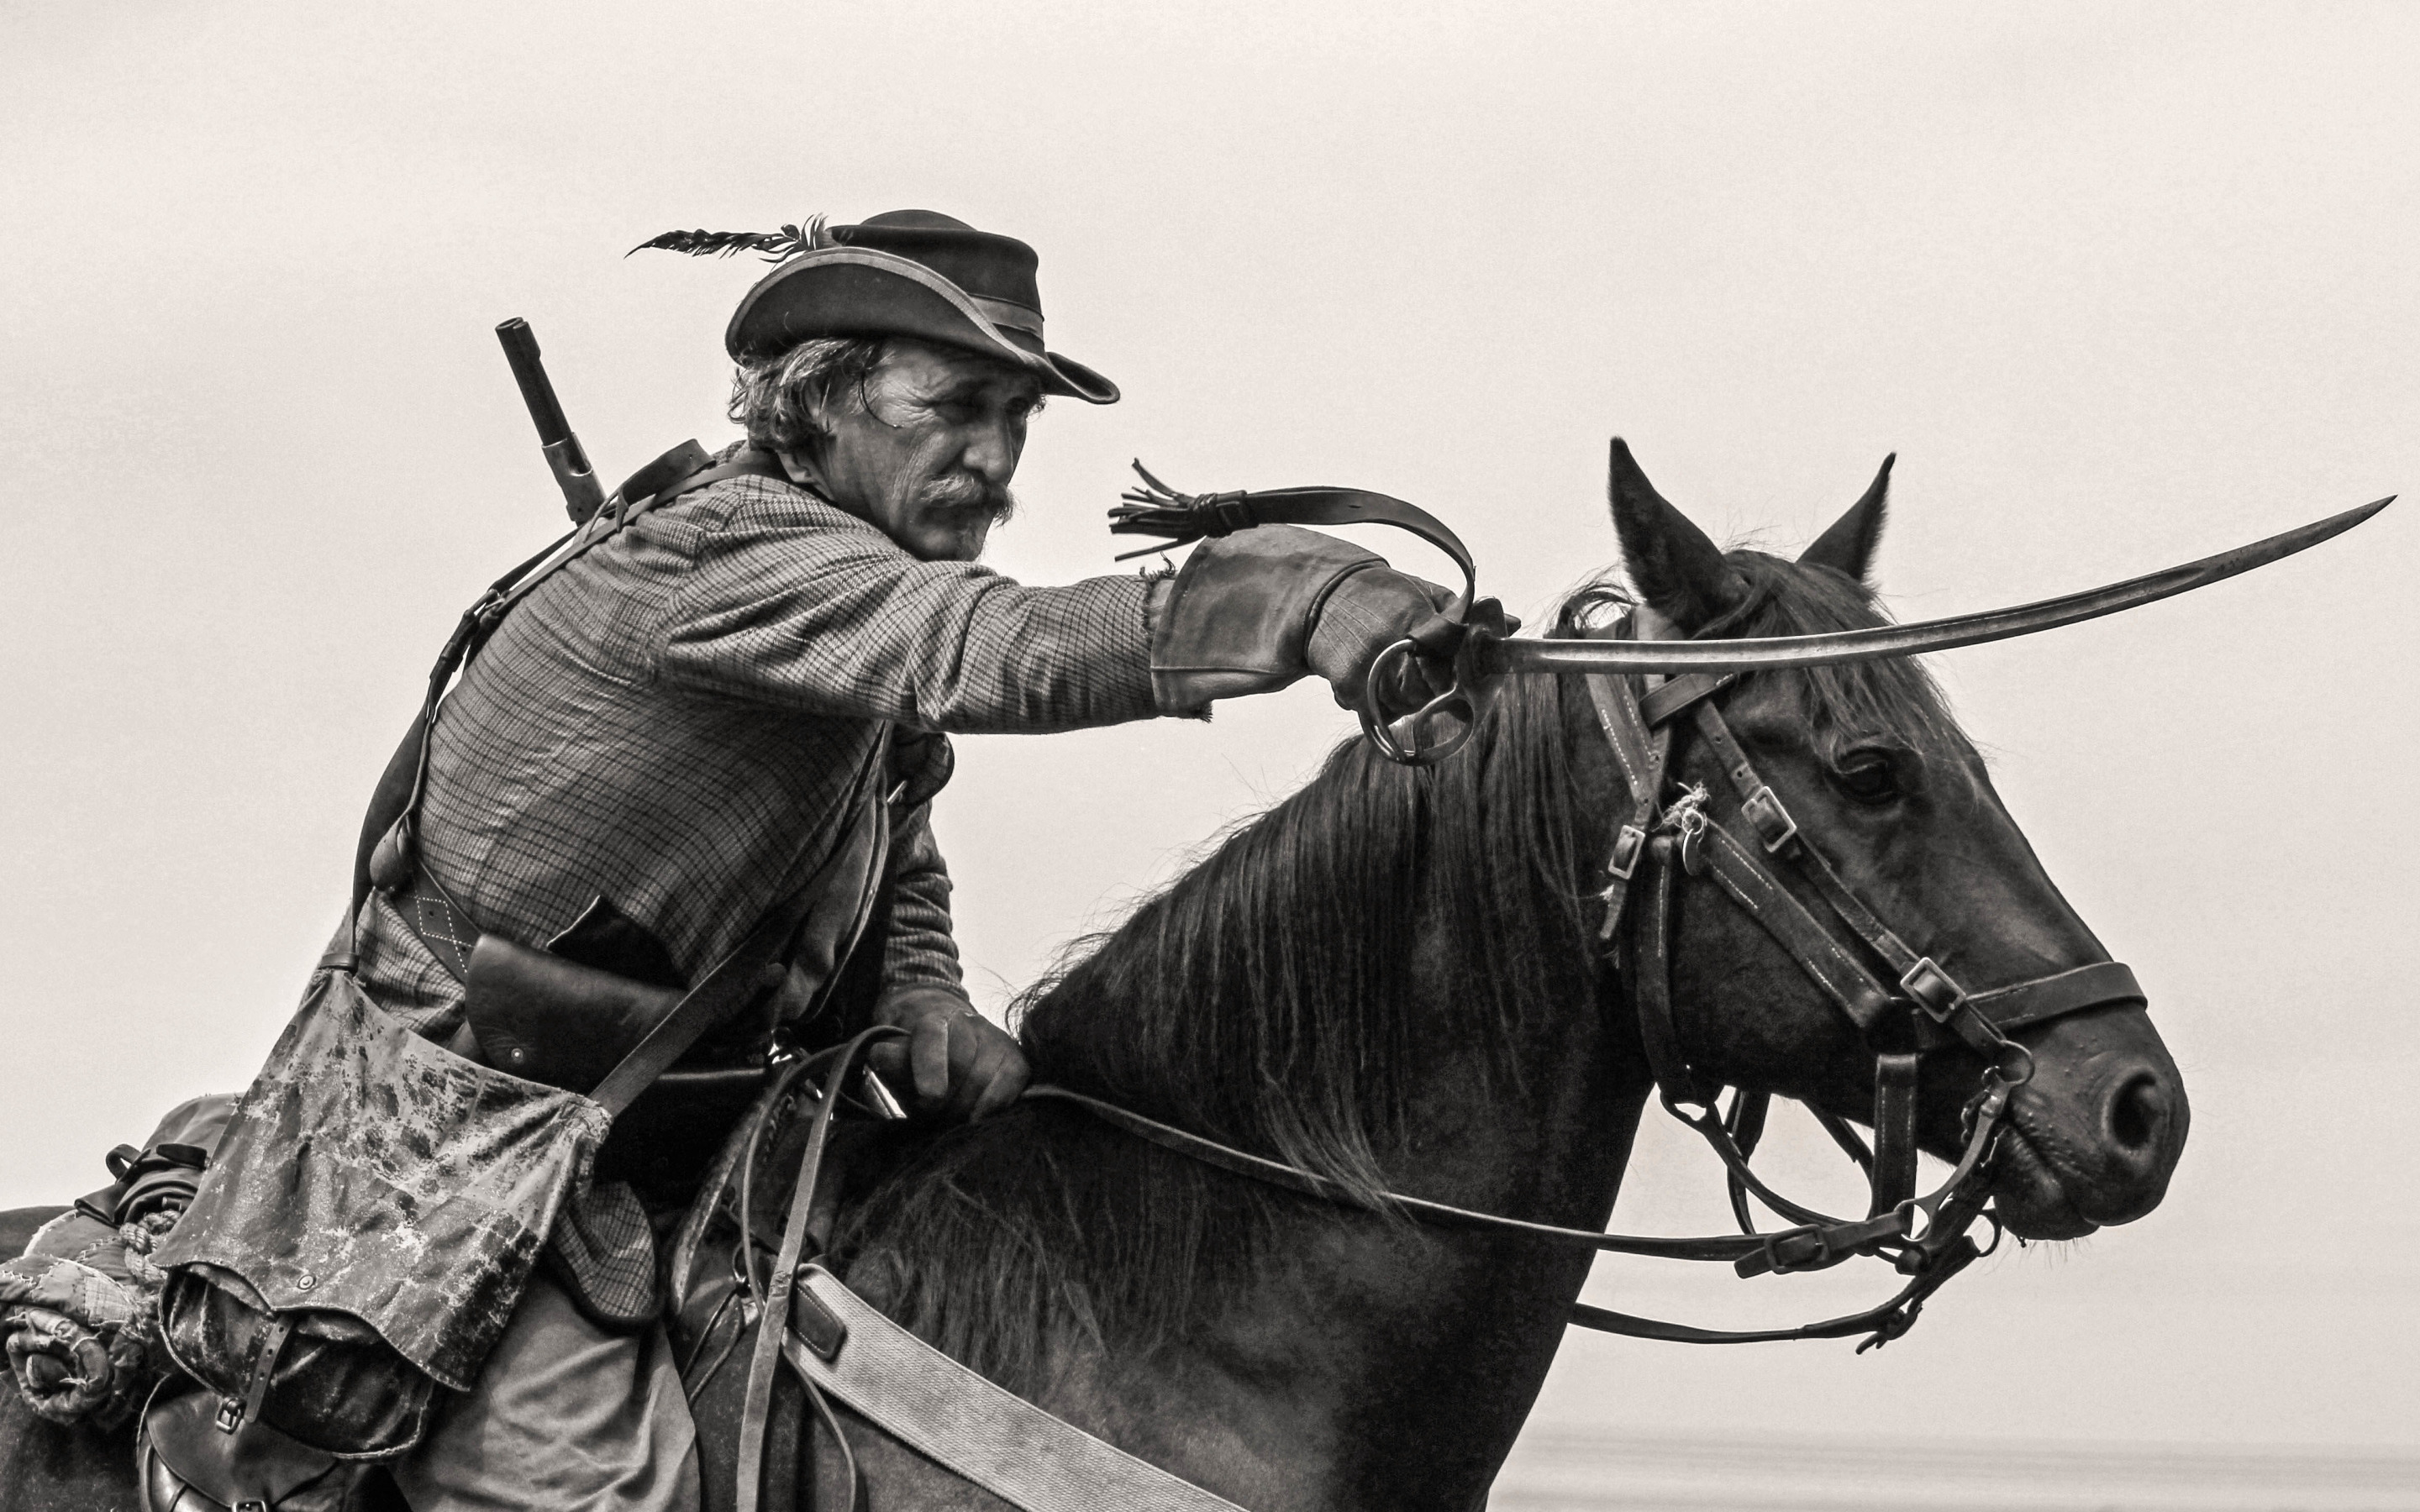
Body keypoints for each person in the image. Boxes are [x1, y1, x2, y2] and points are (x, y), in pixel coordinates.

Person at [158, 210, 1458, 1510]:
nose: (993, 457)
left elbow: (897, 838)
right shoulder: (729, 553)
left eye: (1017, 419)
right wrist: (1308, 598)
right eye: (955, 406)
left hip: (693, 1148)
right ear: (821, 399)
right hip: (448, 1148)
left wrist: (918, 997)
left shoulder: (847, 607)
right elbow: (999, 650)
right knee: (606, 1498)